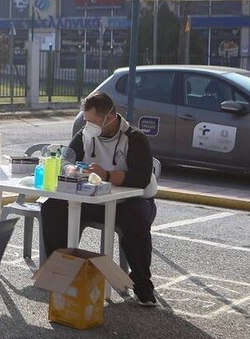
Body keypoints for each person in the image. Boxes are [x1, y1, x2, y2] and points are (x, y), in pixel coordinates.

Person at [40, 91, 160, 306]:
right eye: (86, 120)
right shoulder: (85, 135)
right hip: (94, 199)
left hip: (130, 201)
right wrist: (73, 169)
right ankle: (60, 273)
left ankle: (142, 284)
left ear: (110, 117)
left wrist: (107, 174)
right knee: (52, 208)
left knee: (137, 220)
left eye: (94, 121)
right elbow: (67, 160)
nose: (89, 126)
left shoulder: (134, 138)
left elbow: (141, 178)